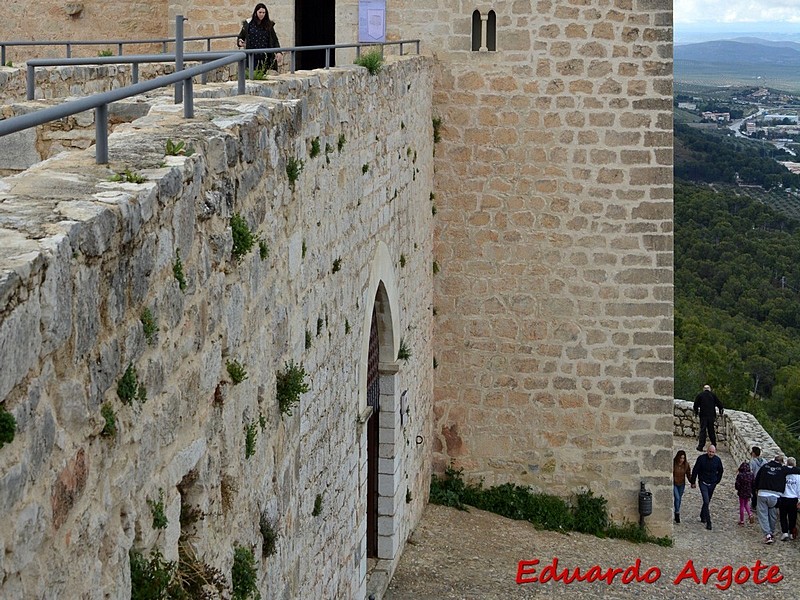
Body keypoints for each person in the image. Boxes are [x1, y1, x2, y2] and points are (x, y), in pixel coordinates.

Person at [237, 3, 282, 72]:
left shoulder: (269, 25)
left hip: (266, 56)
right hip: (252, 56)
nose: (262, 14)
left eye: (264, 12)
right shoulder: (248, 24)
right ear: (256, 12)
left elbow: (274, 39)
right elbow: (241, 36)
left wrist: (278, 52)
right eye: (260, 12)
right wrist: (240, 42)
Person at [754, 453, 788, 544]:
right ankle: (771, 532)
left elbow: (757, 478)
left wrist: (756, 489)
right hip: (775, 496)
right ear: (781, 462)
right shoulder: (782, 470)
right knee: (772, 515)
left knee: (763, 515)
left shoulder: (765, 466)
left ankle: (767, 534)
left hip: (762, 493)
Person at [690, 444, 724, 530]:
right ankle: (709, 522)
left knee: (707, 501)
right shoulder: (701, 459)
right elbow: (695, 470)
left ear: (715, 452)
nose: (711, 454)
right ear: (707, 451)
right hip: (703, 482)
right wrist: (693, 481)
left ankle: (702, 515)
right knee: (706, 500)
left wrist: (717, 481)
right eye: (710, 452)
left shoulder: (717, 460)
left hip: (712, 483)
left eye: (713, 452)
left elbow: (720, 471)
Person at [693, 384, 724, 452]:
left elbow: (695, 405)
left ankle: (700, 446)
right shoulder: (713, 395)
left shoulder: (700, 395)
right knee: (711, 430)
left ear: (704, 389)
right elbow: (719, 404)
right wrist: (721, 410)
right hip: (711, 416)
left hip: (703, 415)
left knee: (703, 430)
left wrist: (696, 412)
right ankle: (714, 444)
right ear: (709, 389)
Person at [778, 457, 800, 541]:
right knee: (792, 516)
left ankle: (784, 532)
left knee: (783, 516)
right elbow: (799, 489)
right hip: (793, 498)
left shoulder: (783, 473)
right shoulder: (798, 476)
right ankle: (791, 532)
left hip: (783, 497)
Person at [673, 450, 691, 523]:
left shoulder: (686, 465)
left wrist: (692, 482)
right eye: (680, 458)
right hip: (674, 483)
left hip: (681, 484)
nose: (682, 460)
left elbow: (688, 474)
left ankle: (677, 510)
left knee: (679, 499)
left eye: (683, 458)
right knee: (677, 498)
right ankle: (677, 513)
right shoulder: (673, 464)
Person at [734, 461, 754, 526]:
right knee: (746, 504)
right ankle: (750, 514)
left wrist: (737, 489)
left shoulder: (740, 475)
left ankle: (742, 520)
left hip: (741, 492)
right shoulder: (751, 475)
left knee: (742, 505)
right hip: (748, 492)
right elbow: (753, 484)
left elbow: (737, 484)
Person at [749, 446, 767, 516]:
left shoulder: (752, 461)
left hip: (755, 480)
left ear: (753, 453)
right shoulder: (765, 461)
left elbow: (751, 471)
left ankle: (754, 506)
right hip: (762, 480)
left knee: (754, 493)